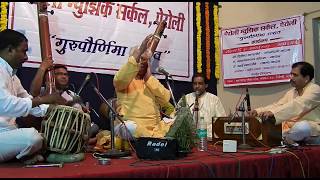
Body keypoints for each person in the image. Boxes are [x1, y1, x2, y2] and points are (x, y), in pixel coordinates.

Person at [0, 29, 67, 163]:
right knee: (32, 137)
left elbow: (28, 101)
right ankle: (23, 155)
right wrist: (44, 99)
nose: (26, 57)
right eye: (24, 51)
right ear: (10, 50)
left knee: (44, 137)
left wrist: (52, 109)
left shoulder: (13, 76)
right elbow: (6, 105)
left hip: (9, 133)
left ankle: (22, 155)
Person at [113, 34, 173, 139]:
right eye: (139, 59)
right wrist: (141, 49)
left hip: (155, 127)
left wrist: (149, 77)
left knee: (176, 120)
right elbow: (119, 80)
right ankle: (155, 139)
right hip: (134, 127)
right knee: (127, 127)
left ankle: (151, 138)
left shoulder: (150, 81)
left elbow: (165, 97)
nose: (141, 62)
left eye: (144, 60)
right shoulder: (124, 80)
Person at [248, 61, 320, 145]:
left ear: (306, 78)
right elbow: (278, 105)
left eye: (295, 75)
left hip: (312, 132)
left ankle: (286, 139)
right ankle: (288, 140)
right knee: (269, 133)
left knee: (302, 127)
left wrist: (273, 113)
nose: (291, 77)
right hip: (291, 131)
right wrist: (258, 111)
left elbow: (298, 104)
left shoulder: (315, 89)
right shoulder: (291, 92)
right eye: (291, 74)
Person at [178, 73, 226, 139]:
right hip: (188, 139)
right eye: (195, 83)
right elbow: (176, 117)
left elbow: (221, 121)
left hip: (209, 138)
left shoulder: (214, 99)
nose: (197, 86)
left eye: (200, 83)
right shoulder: (186, 99)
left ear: (206, 85)